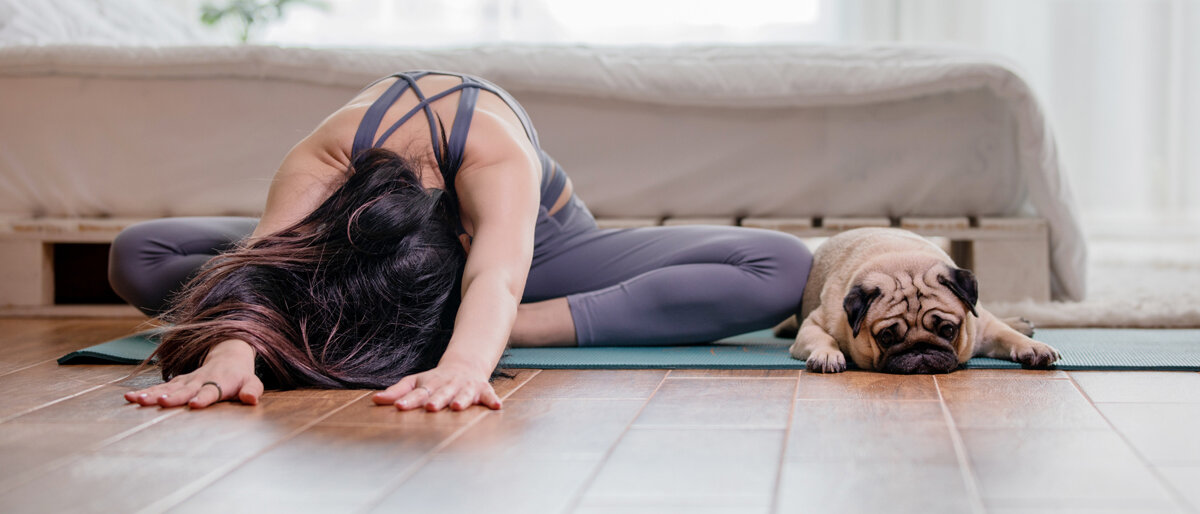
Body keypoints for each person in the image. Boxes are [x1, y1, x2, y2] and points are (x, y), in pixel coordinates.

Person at [110, 71, 813, 412]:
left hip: (542, 254)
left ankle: (501, 330)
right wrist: (233, 349)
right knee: (141, 255)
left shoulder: (492, 157)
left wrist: (469, 360)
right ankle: (391, 307)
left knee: (779, 265)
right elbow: (261, 270)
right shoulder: (323, 160)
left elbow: (495, 279)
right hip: (354, 258)